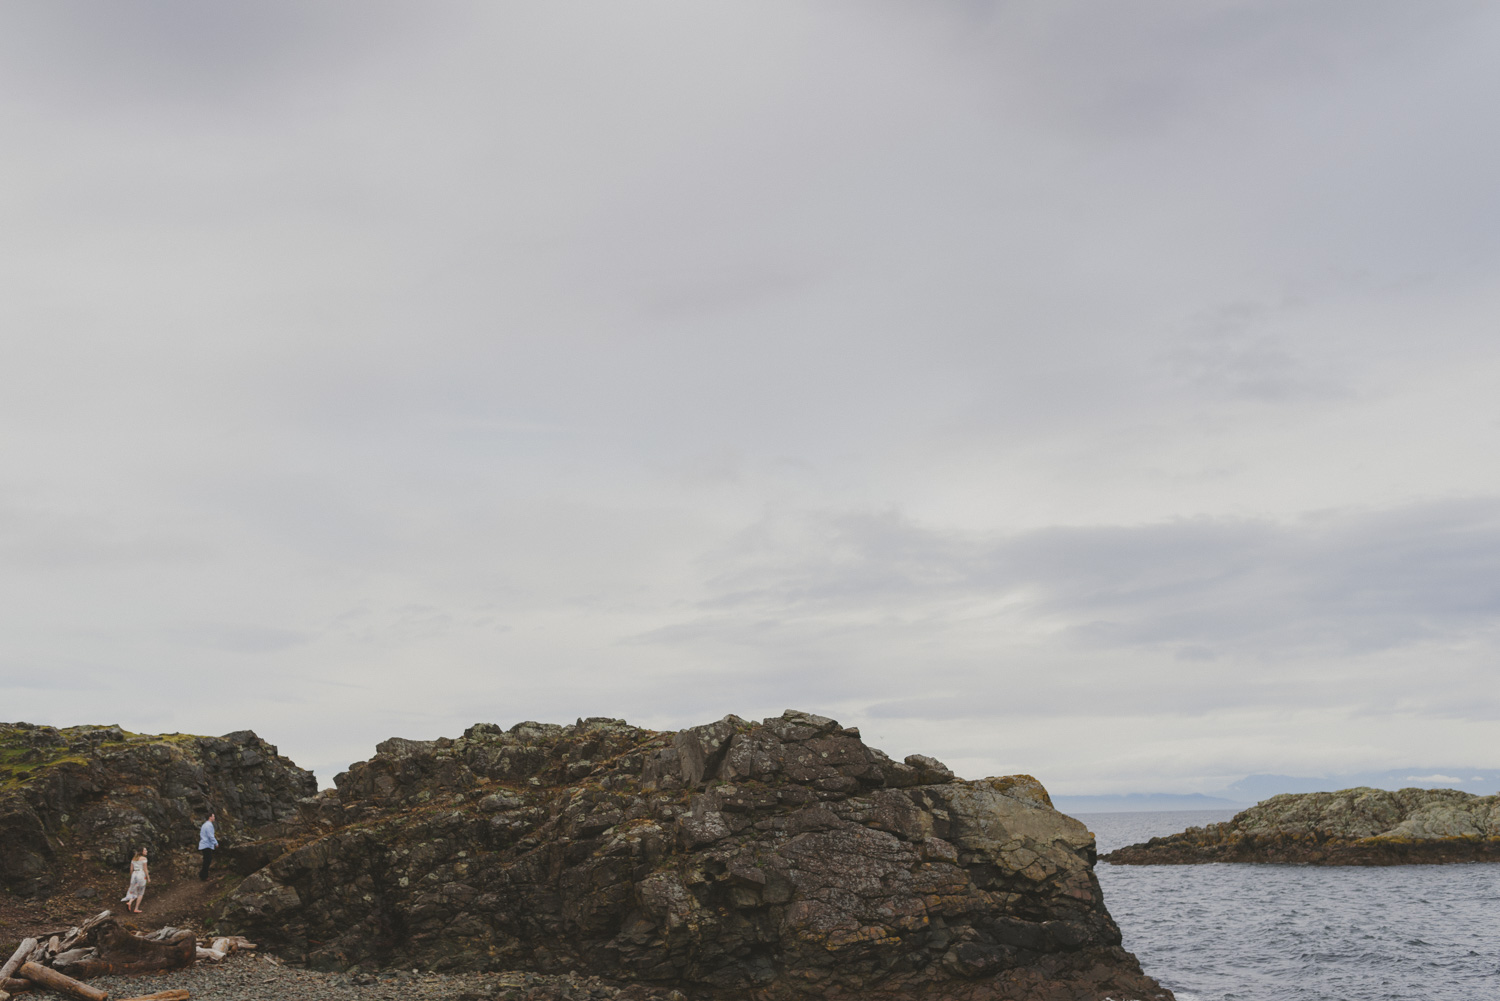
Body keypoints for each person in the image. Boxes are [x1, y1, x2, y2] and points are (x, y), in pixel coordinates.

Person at [121, 846, 149, 913]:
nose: (146, 851)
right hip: (141, 875)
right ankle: (136, 908)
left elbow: (131, 869)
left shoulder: (134, 859)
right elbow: (145, 869)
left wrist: (132, 876)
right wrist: (148, 877)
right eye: (145, 850)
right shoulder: (144, 859)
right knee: (141, 893)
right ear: (142, 851)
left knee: (134, 891)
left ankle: (130, 902)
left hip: (134, 875)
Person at [198, 812, 218, 880]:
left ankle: (203, 874)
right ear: (210, 817)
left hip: (204, 844)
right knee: (207, 860)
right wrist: (216, 843)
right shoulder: (209, 825)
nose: (214, 817)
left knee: (206, 860)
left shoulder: (204, 825)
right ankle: (204, 876)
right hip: (206, 845)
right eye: (213, 816)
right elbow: (210, 835)